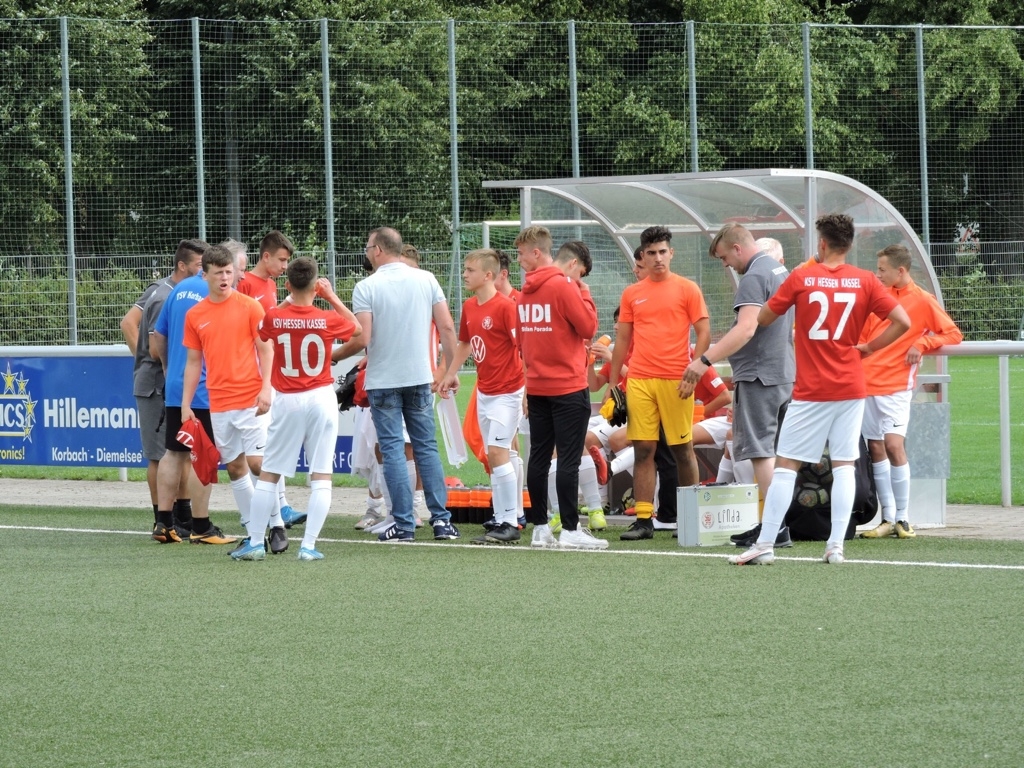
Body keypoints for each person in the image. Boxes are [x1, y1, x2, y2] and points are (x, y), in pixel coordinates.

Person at [730, 213, 911, 566]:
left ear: (822, 243)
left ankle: (765, 544)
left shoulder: (802, 276)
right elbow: (903, 322)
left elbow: (763, 318)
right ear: (849, 245)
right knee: (844, 465)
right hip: (851, 386)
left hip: (812, 389)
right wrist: (869, 348)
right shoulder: (865, 280)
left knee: (786, 466)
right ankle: (835, 546)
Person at [233, 257, 361, 561]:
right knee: (321, 474)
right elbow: (357, 329)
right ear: (316, 287)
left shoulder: (275, 316)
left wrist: (290, 301)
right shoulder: (326, 318)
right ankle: (308, 546)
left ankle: (255, 542)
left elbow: (263, 332)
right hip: (320, 397)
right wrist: (330, 296)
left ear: (287, 285)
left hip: (288, 399)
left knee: (270, 473)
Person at [684, 222, 796, 547]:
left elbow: (746, 329)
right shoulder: (779, 270)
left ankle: (775, 528)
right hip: (782, 372)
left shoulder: (755, 276)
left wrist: (704, 360)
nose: (726, 265)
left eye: (725, 258)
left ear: (737, 248)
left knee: (761, 452)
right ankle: (774, 525)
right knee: (778, 454)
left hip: (759, 375)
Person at [350, 226, 460, 542]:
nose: (368, 253)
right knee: (426, 447)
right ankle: (441, 521)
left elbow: (363, 337)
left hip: (383, 379)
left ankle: (403, 523)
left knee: (393, 449)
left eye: (369, 247)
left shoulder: (366, 286)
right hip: (419, 377)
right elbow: (446, 326)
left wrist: (336, 355)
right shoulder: (426, 279)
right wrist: (451, 369)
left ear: (378, 250)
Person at [611, 226, 711, 541]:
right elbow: (622, 340)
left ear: (671, 253)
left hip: (677, 381)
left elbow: (704, 333)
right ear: (643, 255)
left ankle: (690, 518)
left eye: (662, 252)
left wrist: (696, 369)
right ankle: (644, 520)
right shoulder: (632, 293)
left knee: (682, 449)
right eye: (651, 253)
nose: (657, 258)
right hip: (639, 380)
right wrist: (613, 384)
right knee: (643, 449)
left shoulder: (688, 288)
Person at [180, 245, 281, 554]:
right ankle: (254, 533)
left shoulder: (250, 307)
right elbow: (193, 362)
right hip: (219, 403)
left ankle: (277, 524)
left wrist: (267, 388)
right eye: (218, 273)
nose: (225, 278)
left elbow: (266, 349)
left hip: (252, 399)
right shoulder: (195, 315)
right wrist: (185, 404)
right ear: (205, 275)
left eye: (229, 272)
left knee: (258, 464)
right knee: (235, 468)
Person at [859, 244, 963, 539]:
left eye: (882, 270)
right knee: (875, 448)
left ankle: (903, 518)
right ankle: (887, 518)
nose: (878, 274)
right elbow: (863, 336)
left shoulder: (923, 300)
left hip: (895, 386)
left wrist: (922, 343)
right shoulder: (877, 297)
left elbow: (953, 333)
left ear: (900, 271)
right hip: (865, 383)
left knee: (894, 446)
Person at [516, 228, 606, 550]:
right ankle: (570, 529)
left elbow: (522, 342)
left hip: (538, 385)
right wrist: (584, 291)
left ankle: (541, 528)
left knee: (539, 458)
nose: (519, 259)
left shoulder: (524, 293)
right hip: (567, 385)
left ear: (536, 253)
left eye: (520, 253)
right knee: (568, 458)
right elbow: (588, 327)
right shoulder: (565, 286)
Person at [437, 248, 524, 544]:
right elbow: (465, 343)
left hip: (509, 393)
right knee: (495, 455)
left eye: (470, 270)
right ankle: (503, 518)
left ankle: (511, 522)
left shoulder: (506, 307)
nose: (464, 274)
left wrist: (527, 391)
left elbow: (523, 349)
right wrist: (451, 373)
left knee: (499, 453)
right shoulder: (470, 306)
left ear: (488, 275)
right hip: (485, 391)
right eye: (465, 269)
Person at [150, 247, 236, 546]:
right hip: (204, 388)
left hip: (177, 384)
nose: (230, 276)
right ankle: (201, 525)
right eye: (229, 270)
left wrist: (168, 366)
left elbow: (159, 334)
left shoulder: (180, 288)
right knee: (204, 455)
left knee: (173, 452)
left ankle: (164, 523)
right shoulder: (219, 295)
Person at [122, 238, 205, 526]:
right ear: (182, 266)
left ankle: (181, 515)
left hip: (168, 382)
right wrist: (146, 358)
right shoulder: (164, 296)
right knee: (162, 455)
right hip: (157, 384)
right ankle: (163, 519)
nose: (204, 271)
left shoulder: (175, 292)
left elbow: (129, 322)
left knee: (180, 452)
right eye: (200, 265)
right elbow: (153, 345)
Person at [236, 230, 304, 529]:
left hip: (270, 372)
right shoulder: (245, 284)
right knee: (258, 448)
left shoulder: (270, 284)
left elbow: (269, 320)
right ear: (266, 257)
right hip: (252, 375)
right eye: (281, 260)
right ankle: (267, 509)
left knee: (271, 442)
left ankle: (279, 506)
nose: (285, 266)